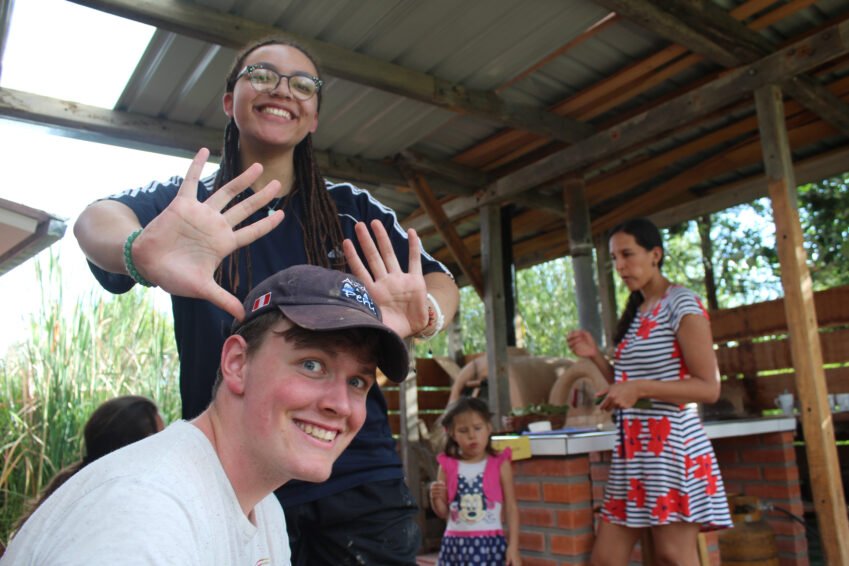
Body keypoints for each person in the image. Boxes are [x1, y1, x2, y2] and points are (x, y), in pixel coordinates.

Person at [73, 38, 459, 565]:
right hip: (234, 481)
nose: (282, 90)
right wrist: (139, 250)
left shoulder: (350, 210)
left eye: (302, 84)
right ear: (229, 101)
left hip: (354, 478)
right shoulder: (191, 207)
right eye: (262, 74)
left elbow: (439, 284)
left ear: (315, 116)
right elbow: (96, 219)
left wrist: (425, 315)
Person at [1, 264, 411, 565]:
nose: (340, 404)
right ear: (236, 363)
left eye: (358, 381)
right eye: (312, 365)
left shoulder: (262, 504)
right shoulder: (147, 510)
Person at [566, 218, 732, 565]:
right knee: (605, 559)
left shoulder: (682, 304)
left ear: (655, 254)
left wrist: (639, 387)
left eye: (627, 254)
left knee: (673, 556)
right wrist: (595, 355)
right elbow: (627, 386)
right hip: (634, 453)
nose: (620, 266)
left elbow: (709, 387)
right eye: (614, 258)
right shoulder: (639, 311)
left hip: (673, 450)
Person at [13, 395, 164, 532]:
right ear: (132, 449)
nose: (166, 450)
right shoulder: (113, 507)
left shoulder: (75, 486)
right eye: (160, 441)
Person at [429, 397, 521, 566]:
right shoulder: (447, 465)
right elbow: (444, 513)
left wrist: (513, 547)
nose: (472, 436)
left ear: (488, 428)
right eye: (463, 430)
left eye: (477, 428)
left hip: (490, 546)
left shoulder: (499, 463)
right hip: (455, 546)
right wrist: (435, 499)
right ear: (451, 433)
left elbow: (511, 507)